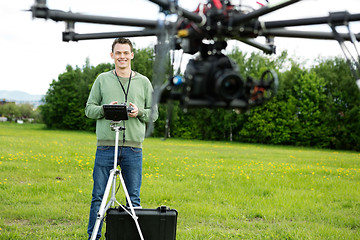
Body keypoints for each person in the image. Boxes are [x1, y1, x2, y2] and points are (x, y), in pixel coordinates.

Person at [85, 37, 158, 240]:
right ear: (112, 55)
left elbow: (154, 113)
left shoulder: (143, 82)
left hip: (134, 148)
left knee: (133, 197)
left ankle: (131, 237)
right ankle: (94, 236)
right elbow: (89, 110)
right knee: (98, 196)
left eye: (126, 53)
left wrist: (139, 112)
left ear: (132, 55)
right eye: (118, 53)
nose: (122, 56)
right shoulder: (102, 79)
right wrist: (106, 109)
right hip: (106, 147)